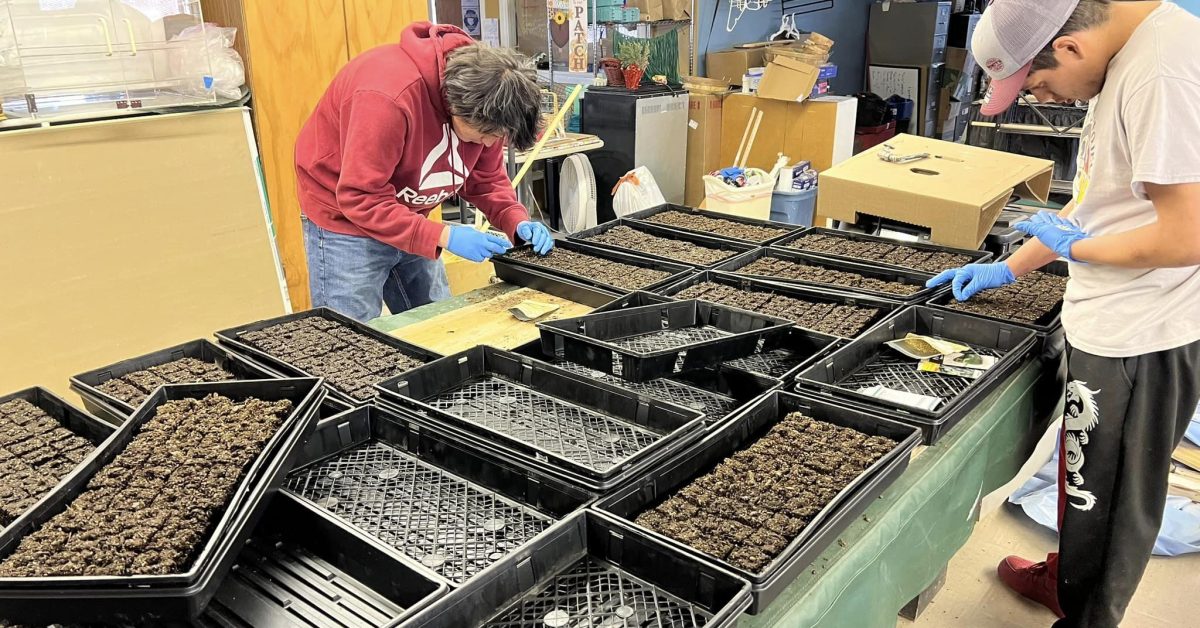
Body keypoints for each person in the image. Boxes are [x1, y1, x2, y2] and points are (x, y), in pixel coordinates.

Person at [929, 1, 1200, 626]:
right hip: (1114, 311)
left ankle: (1085, 612)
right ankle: (1068, 574)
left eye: (1039, 84)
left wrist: (1076, 248)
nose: (1045, 97)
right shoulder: (1125, 60)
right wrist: (1010, 266)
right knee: (1086, 471)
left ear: (1071, 48)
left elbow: (1186, 234)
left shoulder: (1160, 71)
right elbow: (1095, 202)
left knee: (1110, 496)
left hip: (1144, 333)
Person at [294, 22, 555, 322]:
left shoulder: (491, 107)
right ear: (457, 108)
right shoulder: (387, 96)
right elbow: (360, 196)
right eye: (486, 135)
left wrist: (516, 220)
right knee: (351, 339)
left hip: (409, 212)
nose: (489, 144)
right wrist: (444, 235)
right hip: (344, 219)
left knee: (439, 325)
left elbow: (486, 180)